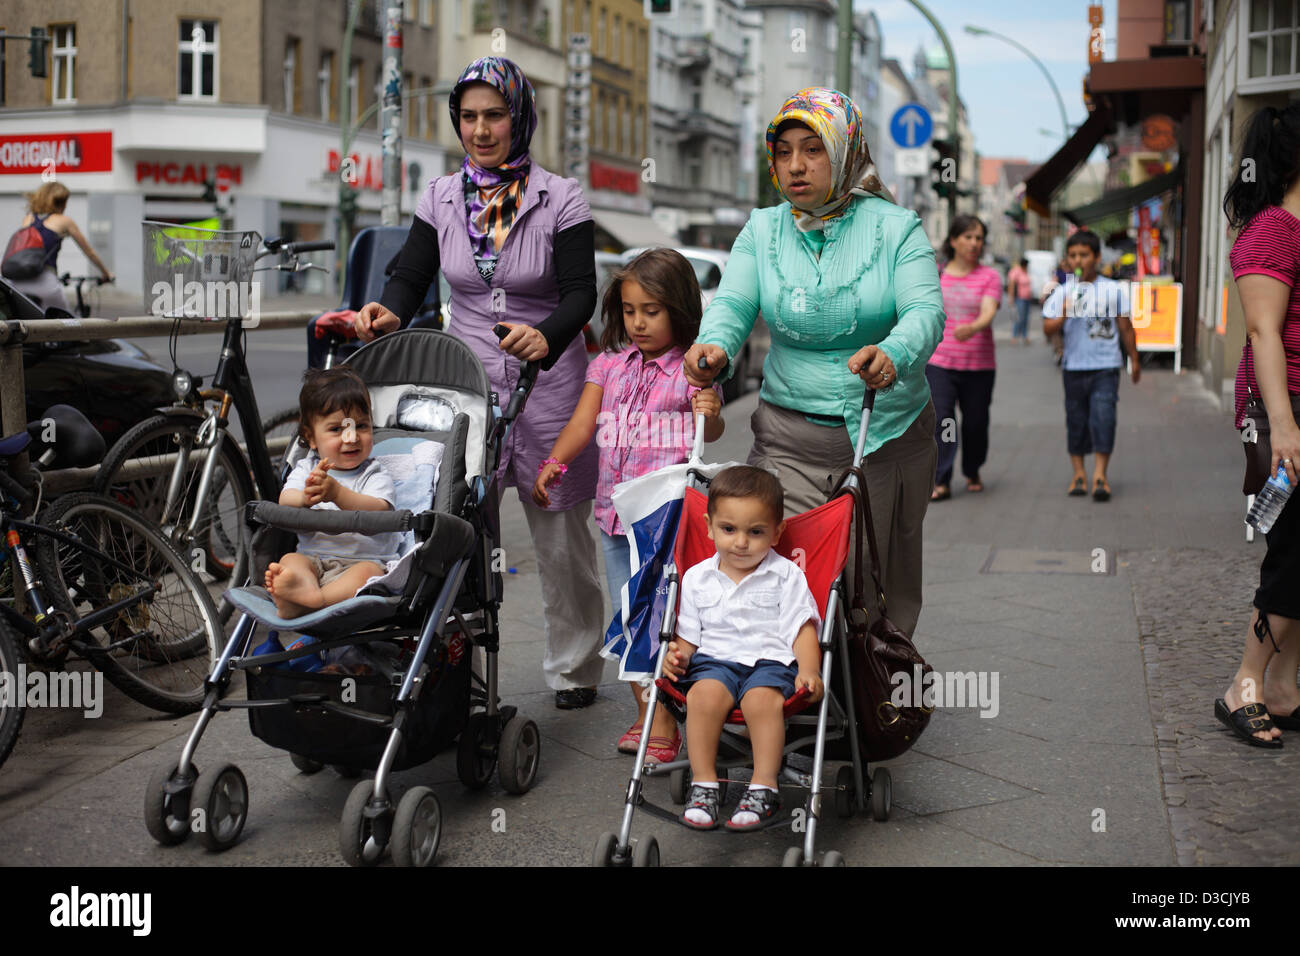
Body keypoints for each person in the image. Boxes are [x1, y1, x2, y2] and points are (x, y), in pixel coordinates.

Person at [353, 57, 605, 709]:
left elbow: (582, 293)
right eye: (469, 117)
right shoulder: (439, 196)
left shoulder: (562, 196)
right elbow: (410, 276)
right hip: (465, 390)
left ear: (519, 117)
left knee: (560, 535)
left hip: (549, 389)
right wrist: (389, 310)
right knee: (457, 525)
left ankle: (574, 666)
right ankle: (452, 662)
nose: (481, 129)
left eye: (495, 115)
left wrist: (547, 335)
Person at [686, 87, 944, 641]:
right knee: (785, 572)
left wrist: (893, 353)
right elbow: (732, 303)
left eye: (813, 149)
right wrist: (716, 346)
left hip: (885, 434)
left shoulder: (897, 228)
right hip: (787, 438)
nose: (795, 166)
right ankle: (796, 692)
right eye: (783, 152)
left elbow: (925, 311)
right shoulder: (763, 228)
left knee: (874, 584)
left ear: (844, 150)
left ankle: (875, 695)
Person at [532, 249, 724, 762]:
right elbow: (581, 424)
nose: (638, 322)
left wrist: (710, 407)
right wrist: (556, 461)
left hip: (667, 523)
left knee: (668, 615)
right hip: (616, 520)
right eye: (630, 310)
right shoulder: (607, 366)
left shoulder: (692, 369)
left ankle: (676, 713)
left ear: (680, 309)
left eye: (652, 311)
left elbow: (715, 428)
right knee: (630, 616)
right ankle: (648, 713)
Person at [662, 466, 823, 830]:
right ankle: (704, 783)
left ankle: (764, 785)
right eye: (728, 529)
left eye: (756, 532)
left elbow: (803, 629)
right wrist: (679, 655)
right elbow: (688, 635)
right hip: (714, 661)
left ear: (777, 532)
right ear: (708, 526)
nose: (740, 542)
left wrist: (809, 670)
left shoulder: (786, 575)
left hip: (771, 663)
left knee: (761, 701)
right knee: (702, 697)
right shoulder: (697, 577)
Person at [1215, 102, 1300, 749]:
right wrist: (1286, 426)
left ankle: (1284, 687)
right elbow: (1264, 332)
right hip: (1289, 411)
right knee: (1293, 554)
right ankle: (1243, 685)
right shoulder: (1272, 230)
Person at [265, 368, 401, 619]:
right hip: (313, 563)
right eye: (337, 430)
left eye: (361, 425)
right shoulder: (306, 469)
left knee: (369, 573)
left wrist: (337, 494)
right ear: (311, 438)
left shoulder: (374, 473)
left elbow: (380, 510)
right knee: (290, 561)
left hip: (362, 562)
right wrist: (305, 498)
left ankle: (315, 600)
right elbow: (285, 501)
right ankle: (298, 592)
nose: (351, 437)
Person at [1042, 229, 1140, 501]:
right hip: (1073, 368)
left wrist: (1134, 358)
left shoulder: (1112, 289)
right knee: (1076, 421)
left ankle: (1100, 475)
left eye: (1084, 254)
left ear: (1096, 258)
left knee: (1104, 418)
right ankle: (1078, 474)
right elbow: (1047, 329)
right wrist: (1063, 311)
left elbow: (1125, 326)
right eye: (1073, 255)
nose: (1078, 260)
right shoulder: (1062, 292)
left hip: (1106, 367)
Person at [926, 215, 1002, 501]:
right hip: (941, 364)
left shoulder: (989, 277)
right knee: (943, 421)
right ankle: (941, 478)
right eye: (968, 237)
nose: (974, 243)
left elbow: (989, 310)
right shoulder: (937, 274)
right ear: (954, 240)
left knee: (975, 423)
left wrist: (975, 326)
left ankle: (972, 468)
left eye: (979, 238)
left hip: (979, 367)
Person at [5, 182, 113, 311]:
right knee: (66, 324)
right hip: (44, 282)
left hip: (17, 282)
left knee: (30, 324)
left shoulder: (28, 218)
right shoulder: (64, 221)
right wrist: (106, 274)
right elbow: (89, 252)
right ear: (61, 202)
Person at [1007, 256, 1033, 345]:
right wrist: (1011, 297)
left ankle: (1025, 336)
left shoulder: (1026, 272)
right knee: (1019, 318)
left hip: (1027, 298)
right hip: (1020, 298)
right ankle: (1014, 336)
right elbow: (1012, 283)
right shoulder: (1017, 271)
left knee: (1026, 318)